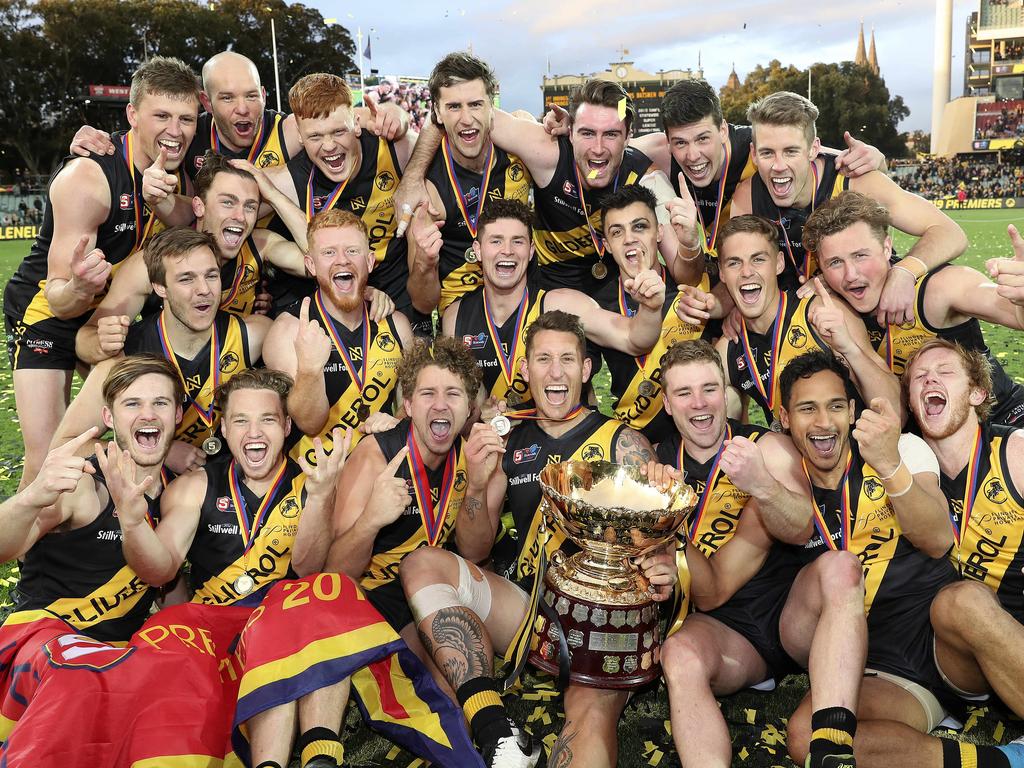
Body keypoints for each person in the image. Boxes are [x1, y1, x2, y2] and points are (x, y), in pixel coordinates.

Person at [397, 311, 676, 768]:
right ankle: (496, 733)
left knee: (587, 717)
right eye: (543, 359)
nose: (555, 371)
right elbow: (473, 550)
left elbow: (656, 553)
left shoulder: (623, 443)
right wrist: (477, 485)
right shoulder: (509, 439)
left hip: (599, 623)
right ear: (524, 371)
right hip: (528, 612)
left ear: (586, 371)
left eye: (568, 359)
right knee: (422, 566)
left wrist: (661, 565)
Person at [653, 340, 868, 768]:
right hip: (724, 633)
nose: (700, 403)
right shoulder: (657, 461)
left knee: (842, 568)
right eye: (684, 393)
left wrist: (761, 484)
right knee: (678, 654)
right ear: (667, 403)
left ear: (725, 390)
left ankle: (831, 748)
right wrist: (665, 519)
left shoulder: (765, 447)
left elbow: (801, 525)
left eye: (709, 388)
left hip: (792, 617)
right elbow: (709, 595)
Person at [3, 57, 200, 488]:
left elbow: (190, 218)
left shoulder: (184, 168)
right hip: (49, 315)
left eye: (186, 118)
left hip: (110, 315)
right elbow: (57, 294)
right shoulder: (89, 176)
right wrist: (79, 285)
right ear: (132, 115)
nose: (176, 129)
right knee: (50, 458)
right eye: (161, 116)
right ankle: (30, 553)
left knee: (121, 430)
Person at [777, 351, 964, 768]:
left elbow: (937, 539)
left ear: (853, 411)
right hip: (824, 644)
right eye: (808, 408)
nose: (824, 422)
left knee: (804, 739)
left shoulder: (899, 449)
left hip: (907, 661)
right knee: (840, 566)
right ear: (785, 417)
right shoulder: (779, 468)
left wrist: (888, 464)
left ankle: (994, 760)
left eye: (836, 406)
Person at [401, 75, 705, 295]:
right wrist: (412, 177)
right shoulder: (546, 152)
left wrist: (691, 245)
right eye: (587, 133)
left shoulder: (647, 179)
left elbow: (685, 274)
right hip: (548, 290)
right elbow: (462, 114)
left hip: (621, 292)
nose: (598, 148)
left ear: (628, 137)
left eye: (611, 135)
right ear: (569, 132)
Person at [731, 90, 967, 322]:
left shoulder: (855, 180)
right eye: (767, 153)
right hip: (800, 317)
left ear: (814, 149)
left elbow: (950, 233)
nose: (778, 165)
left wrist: (904, 272)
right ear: (753, 154)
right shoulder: (747, 197)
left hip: (877, 311)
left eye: (791, 151)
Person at [897, 339, 1024, 767]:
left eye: (945, 371)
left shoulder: (1016, 452)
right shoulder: (904, 471)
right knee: (961, 601)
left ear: (977, 393)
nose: (930, 378)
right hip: (957, 653)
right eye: (919, 377)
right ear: (913, 403)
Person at [51, 228, 271, 473]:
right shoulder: (125, 357)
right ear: (160, 288)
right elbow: (65, 446)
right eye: (186, 279)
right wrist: (160, 452)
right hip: (149, 487)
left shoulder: (253, 334)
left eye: (211, 276)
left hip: (227, 485)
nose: (204, 290)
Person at [803, 190, 1024, 427]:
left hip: (1003, 418)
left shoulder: (936, 289)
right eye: (835, 262)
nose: (851, 274)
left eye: (860, 255)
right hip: (929, 443)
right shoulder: (831, 309)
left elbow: (1012, 313)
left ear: (887, 248)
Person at [0, 356, 181, 643]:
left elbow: (169, 586)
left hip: (118, 658)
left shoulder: (178, 493)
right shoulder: (82, 484)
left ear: (177, 414)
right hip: (44, 647)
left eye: (160, 403)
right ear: (108, 417)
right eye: (132, 403)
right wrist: (30, 499)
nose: (148, 414)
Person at [74, 152, 310, 364]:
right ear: (199, 206)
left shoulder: (260, 244)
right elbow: (85, 339)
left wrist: (274, 196)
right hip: (171, 374)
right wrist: (102, 342)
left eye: (250, 206)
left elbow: (321, 263)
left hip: (232, 372)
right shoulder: (155, 261)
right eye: (227, 202)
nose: (240, 216)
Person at [441, 197, 666, 409]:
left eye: (517, 241)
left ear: (530, 251)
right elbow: (460, 402)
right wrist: (483, 414)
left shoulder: (562, 304)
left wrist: (651, 308)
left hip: (560, 442)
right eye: (496, 241)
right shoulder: (456, 317)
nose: (507, 251)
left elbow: (635, 339)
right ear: (478, 250)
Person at [261, 73, 428, 332]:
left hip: (395, 289)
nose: (329, 146)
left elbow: (435, 143)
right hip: (330, 293)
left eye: (339, 131)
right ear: (300, 137)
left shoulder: (396, 150)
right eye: (315, 137)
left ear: (357, 123)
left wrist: (400, 118)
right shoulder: (287, 181)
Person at [707, 215, 899, 427]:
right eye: (734, 263)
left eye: (758, 259)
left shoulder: (820, 313)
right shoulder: (729, 348)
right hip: (792, 452)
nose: (746, 272)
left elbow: (895, 411)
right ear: (722, 273)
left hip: (855, 450)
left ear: (779, 263)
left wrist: (851, 351)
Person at [263, 209, 414, 463]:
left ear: (369, 261)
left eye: (352, 251)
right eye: (329, 252)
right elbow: (309, 423)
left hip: (377, 468)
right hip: (312, 479)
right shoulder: (288, 330)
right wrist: (310, 370)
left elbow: (410, 402)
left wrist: (396, 420)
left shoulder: (396, 325)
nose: (342, 260)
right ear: (311, 265)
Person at [406, 52, 533, 318]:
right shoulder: (426, 191)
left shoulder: (521, 151)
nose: (466, 119)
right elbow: (423, 303)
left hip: (522, 290)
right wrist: (425, 264)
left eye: (475, 104)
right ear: (438, 113)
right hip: (460, 304)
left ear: (492, 107)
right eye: (454, 107)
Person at [594, 185, 716, 443]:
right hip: (637, 434)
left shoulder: (691, 285)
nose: (629, 239)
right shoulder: (598, 303)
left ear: (659, 232)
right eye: (617, 232)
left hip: (701, 423)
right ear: (606, 244)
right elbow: (585, 382)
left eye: (640, 227)